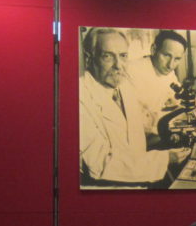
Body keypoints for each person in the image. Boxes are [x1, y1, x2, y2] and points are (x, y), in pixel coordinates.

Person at [78, 27, 188, 187]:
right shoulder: (79, 97)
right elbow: (99, 163)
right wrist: (165, 158)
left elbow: (138, 125)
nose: (118, 65)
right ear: (89, 58)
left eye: (123, 56)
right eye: (107, 56)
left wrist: (170, 131)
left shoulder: (123, 86)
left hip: (137, 180)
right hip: (106, 192)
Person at [133, 29, 188, 132]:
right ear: (154, 50)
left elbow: (182, 95)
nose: (170, 65)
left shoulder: (167, 72)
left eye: (177, 59)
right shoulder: (133, 70)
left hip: (155, 130)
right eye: (166, 55)